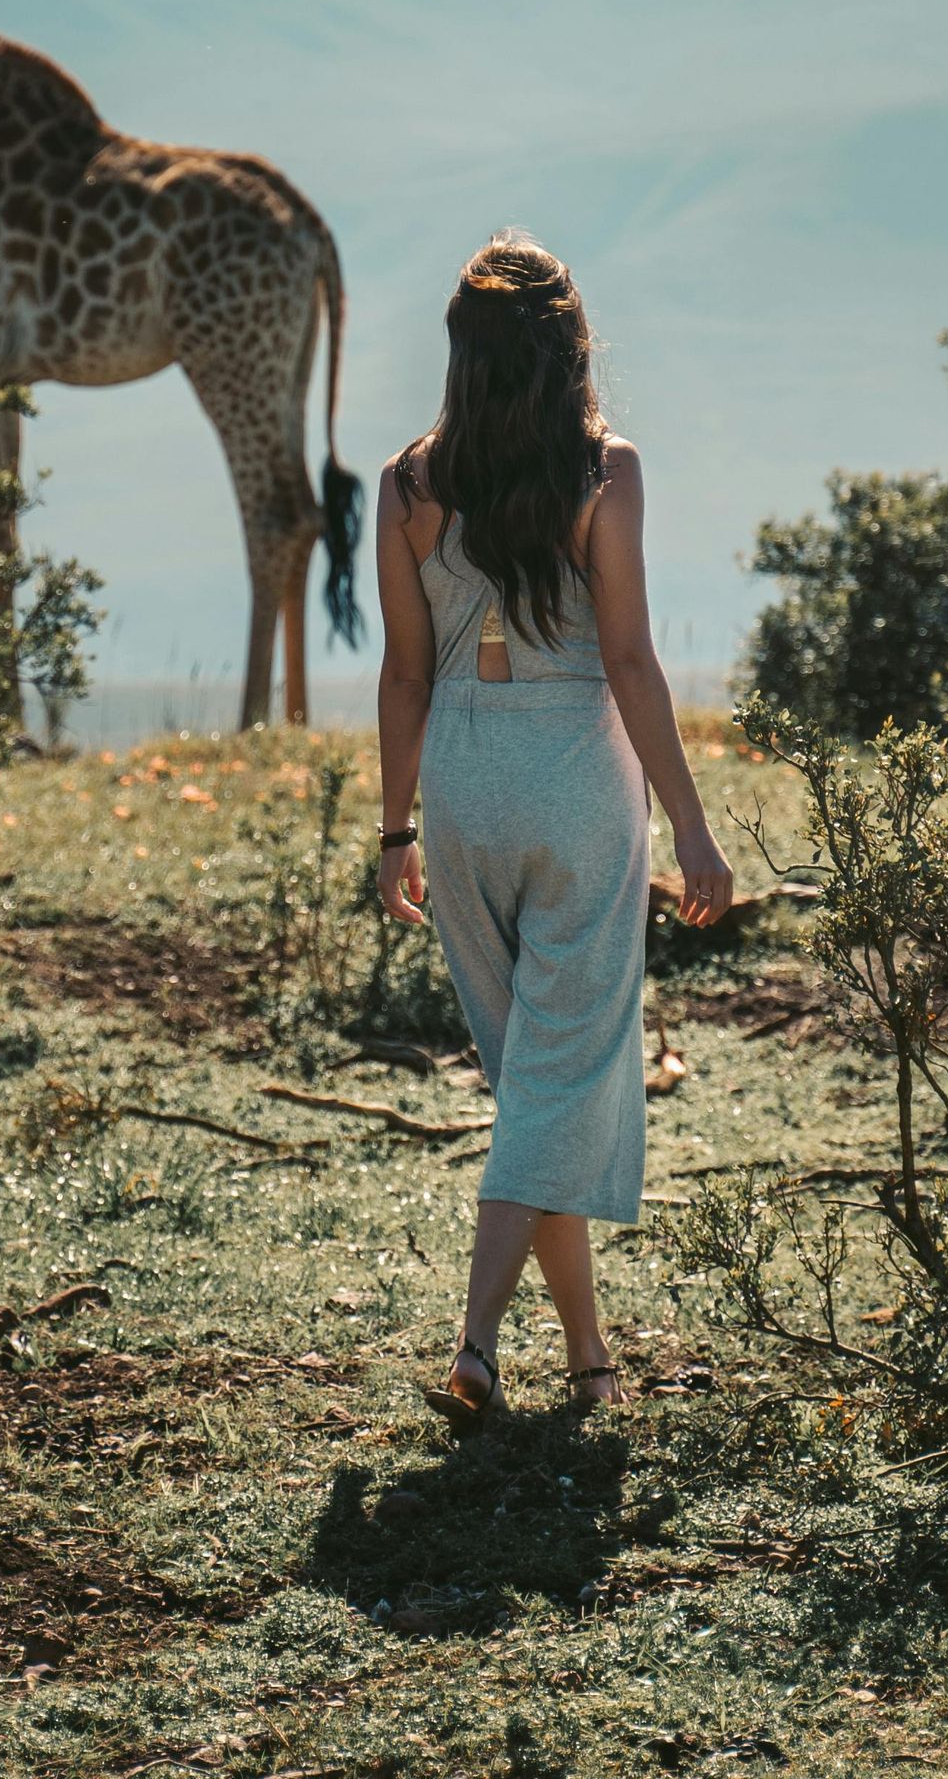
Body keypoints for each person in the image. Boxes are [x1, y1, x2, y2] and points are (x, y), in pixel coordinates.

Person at [375, 231, 733, 1421]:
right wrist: (693, 828)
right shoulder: (606, 473)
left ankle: (588, 1359)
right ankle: (475, 1343)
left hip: (464, 791)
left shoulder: (409, 486)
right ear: (569, 349)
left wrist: (395, 831)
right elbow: (626, 657)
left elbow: (404, 674)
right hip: (580, 782)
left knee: (537, 1083)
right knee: (554, 1084)